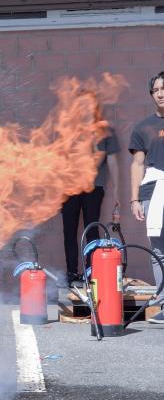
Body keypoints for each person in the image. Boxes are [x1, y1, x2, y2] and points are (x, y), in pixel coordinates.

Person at [60, 93, 120, 286]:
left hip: (94, 188)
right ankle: (71, 273)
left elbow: (112, 161)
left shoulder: (105, 130)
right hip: (69, 189)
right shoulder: (68, 129)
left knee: (91, 230)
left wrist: (117, 189)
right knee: (69, 231)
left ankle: (91, 272)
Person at [128, 71, 164, 324]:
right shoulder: (143, 127)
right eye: (156, 90)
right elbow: (137, 165)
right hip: (154, 190)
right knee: (159, 251)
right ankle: (163, 301)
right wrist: (135, 199)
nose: (161, 94)